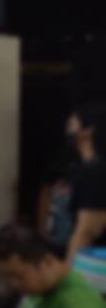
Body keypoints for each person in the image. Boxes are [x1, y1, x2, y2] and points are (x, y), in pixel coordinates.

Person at [0, 224, 106, 308]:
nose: (14, 284)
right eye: (8, 277)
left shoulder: (78, 305)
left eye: (18, 276)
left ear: (47, 262)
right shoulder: (36, 291)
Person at [65, 104, 106, 270]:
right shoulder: (85, 168)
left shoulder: (95, 171)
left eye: (72, 125)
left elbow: (87, 231)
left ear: (88, 130)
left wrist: (68, 278)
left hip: (94, 268)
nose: (68, 130)